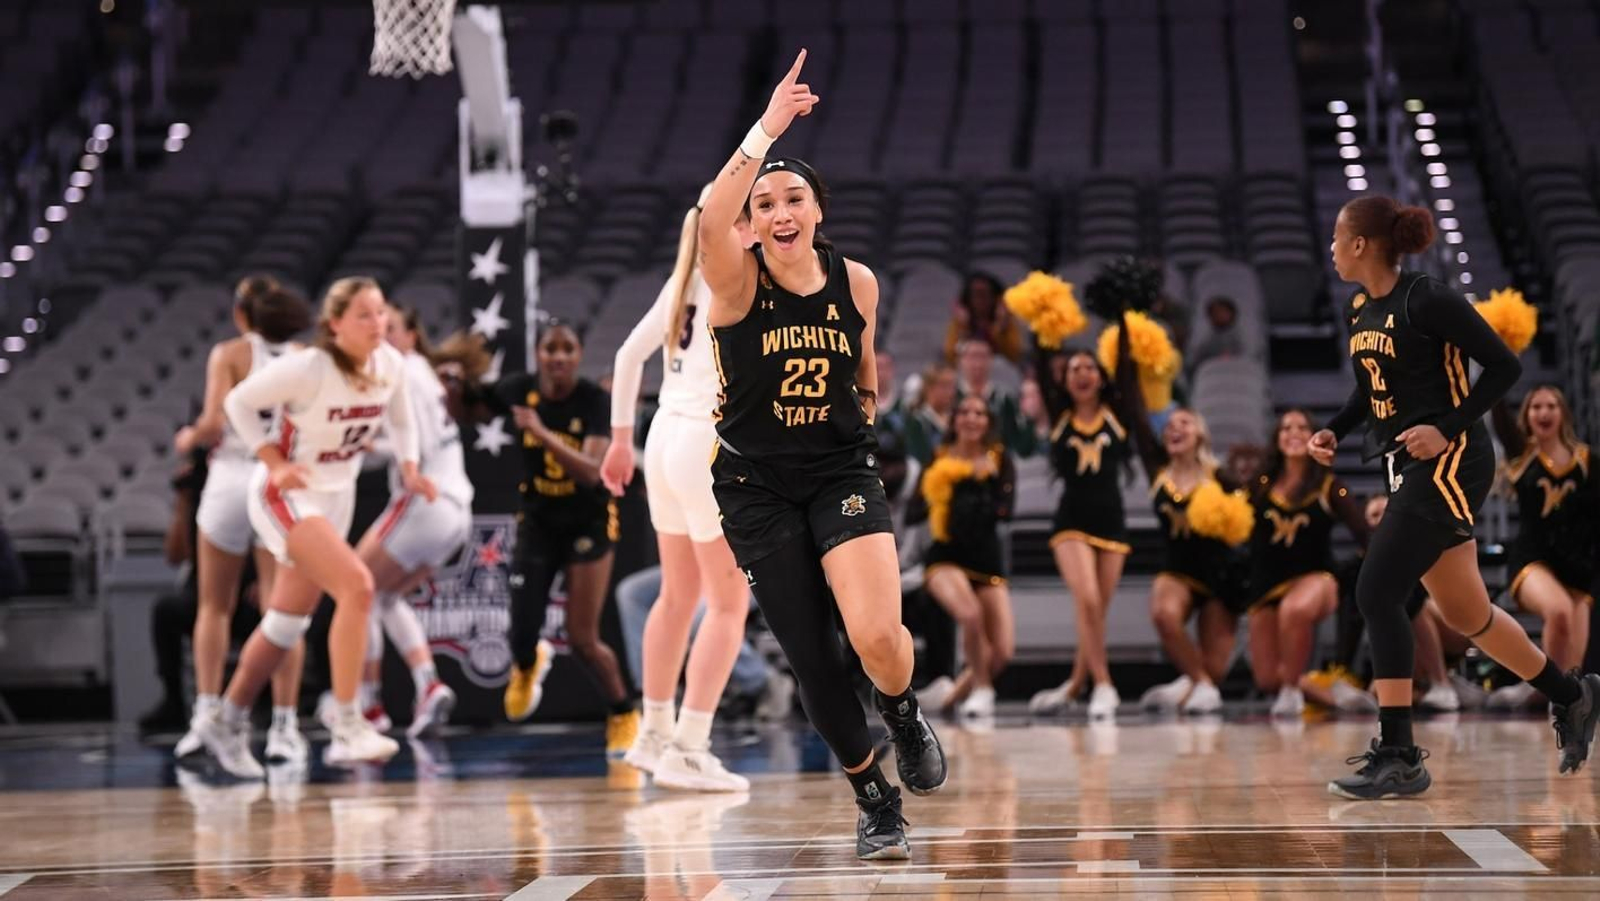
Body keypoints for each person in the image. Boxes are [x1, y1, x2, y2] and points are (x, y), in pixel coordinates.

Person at [697, 50, 946, 860]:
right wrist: (768, 128)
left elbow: (865, 374)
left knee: (877, 634)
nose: (777, 210)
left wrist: (858, 422)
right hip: (756, 485)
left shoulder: (858, 283)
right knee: (814, 659)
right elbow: (708, 219)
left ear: (817, 210)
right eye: (763, 201)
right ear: (751, 222)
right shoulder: (736, 284)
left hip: (838, 471)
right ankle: (875, 798)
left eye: (792, 196)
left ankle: (903, 708)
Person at [1312, 195, 1600, 799]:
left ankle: (1399, 754)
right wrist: (1334, 430)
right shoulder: (1360, 308)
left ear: (1361, 244)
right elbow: (1371, 392)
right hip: (1404, 462)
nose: (1332, 248)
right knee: (1470, 617)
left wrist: (1448, 424)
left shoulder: (1428, 297)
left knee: (1377, 589)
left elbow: (1503, 367)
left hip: (1451, 459)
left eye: (1337, 238)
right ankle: (1575, 696)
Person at [195, 277, 434, 778]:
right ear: (336, 324)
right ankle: (348, 723)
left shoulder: (390, 364)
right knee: (358, 587)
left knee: (286, 623)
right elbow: (236, 403)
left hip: (334, 496)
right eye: (365, 315)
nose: (379, 324)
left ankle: (227, 719)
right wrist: (272, 459)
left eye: (382, 313)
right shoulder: (308, 367)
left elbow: (403, 420)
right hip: (285, 493)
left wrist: (410, 468)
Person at [598, 189, 755, 792]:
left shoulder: (683, 282)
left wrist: (618, 441)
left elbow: (624, 356)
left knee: (677, 594)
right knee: (726, 603)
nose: (764, 224)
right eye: (754, 213)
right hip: (704, 443)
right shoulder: (734, 281)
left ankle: (654, 731)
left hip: (661, 437)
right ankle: (690, 744)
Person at [172, 276, 313, 765]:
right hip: (278, 480)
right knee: (282, 610)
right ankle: (283, 727)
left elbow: (213, 423)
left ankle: (206, 716)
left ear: (241, 315)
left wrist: (188, 437)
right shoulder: (303, 355)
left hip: (232, 476)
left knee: (214, 606)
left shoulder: (229, 353)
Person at [494, 322, 639, 756]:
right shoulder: (519, 389)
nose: (558, 356)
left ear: (578, 355)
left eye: (567, 348)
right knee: (521, 628)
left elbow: (593, 474)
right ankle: (526, 663)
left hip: (588, 522)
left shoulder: (595, 401)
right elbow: (470, 406)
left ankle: (623, 713)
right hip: (538, 520)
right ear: (538, 354)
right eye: (549, 348)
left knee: (582, 638)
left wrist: (539, 432)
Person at [346, 307, 491, 737]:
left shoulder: (404, 374)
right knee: (382, 599)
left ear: (411, 335)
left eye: (389, 328)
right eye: (374, 327)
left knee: (355, 590)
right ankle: (427, 685)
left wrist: (365, 444)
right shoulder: (421, 372)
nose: (379, 335)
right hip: (456, 509)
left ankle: (367, 707)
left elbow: (415, 448)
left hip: (425, 500)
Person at [1025, 346, 1136, 719]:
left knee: (1095, 613)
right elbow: (1041, 366)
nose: (1083, 374)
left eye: (1090, 367)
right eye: (1075, 369)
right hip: (1071, 521)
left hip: (1112, 523)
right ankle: (1105, 684)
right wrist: (1043, 327)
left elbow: (1126, 370)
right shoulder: (1061, 415)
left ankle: (1074, 685)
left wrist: (1122, 314)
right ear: (1064, 380)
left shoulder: (1117, 414)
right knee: (1087, 600)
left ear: (1102, 377)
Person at [1244, 409, 1368, 717]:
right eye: (1286, 428)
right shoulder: (1260, 485)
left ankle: (1291, 691)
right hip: (1267, 585)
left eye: (1302, 427)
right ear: (1277, 439)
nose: (1294, 432)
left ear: (1315, 438)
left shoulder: (1329, 485)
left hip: (1317, 579)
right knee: (1267, 677)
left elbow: (1364, 533)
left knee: (1295, 609)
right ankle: (1329, 693)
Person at [1486, 385, 1598, 709]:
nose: (1544, 412)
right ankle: (1550, 695)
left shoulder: (1588, 460)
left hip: (1578, 566)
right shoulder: (1522, 454)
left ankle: (1560, 706)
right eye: (1536, 407)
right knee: (1558, 611)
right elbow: (1498, 411)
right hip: (1533, 558)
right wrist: (1499, 356)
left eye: (1551, 406)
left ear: (1563, 413)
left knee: (1574, 672)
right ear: (1527, 415)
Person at [908, 396, 1016, 717]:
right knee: (969, 615)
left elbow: (1006, 511)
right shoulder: (938, 458)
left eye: (979, 413)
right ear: (954, 421)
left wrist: (979, 482)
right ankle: (983, 689)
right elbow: (914, 512)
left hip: (986, 560)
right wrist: (940, 488)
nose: (972, 418)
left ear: (988, 422)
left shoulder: (999, 459)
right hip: (945, 557)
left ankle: (950, 697)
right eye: (965, 412)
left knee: (1004, 652)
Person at [955, 337, 1036, 456]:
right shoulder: (951, 397)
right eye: (972, 356)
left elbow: (1018, 444)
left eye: (983, 356)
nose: (978, 363)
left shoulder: (1004, 399)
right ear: (961, 360)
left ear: (991, 360)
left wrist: (1031, 419)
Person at [944, 271, 1024, 365]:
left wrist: (1001, 327)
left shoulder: (1006, 322)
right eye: (976, 295)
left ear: (994, 297)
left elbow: (1014, 356)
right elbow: (951, 357)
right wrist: (963, 329)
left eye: (984, 294)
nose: (980, 300)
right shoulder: (959, 322)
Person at [901, 362, 957, 466]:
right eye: (944, 385)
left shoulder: (957, 418)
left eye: (952, 386)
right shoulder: (917, 421)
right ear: (928, 387)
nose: (950, 392)